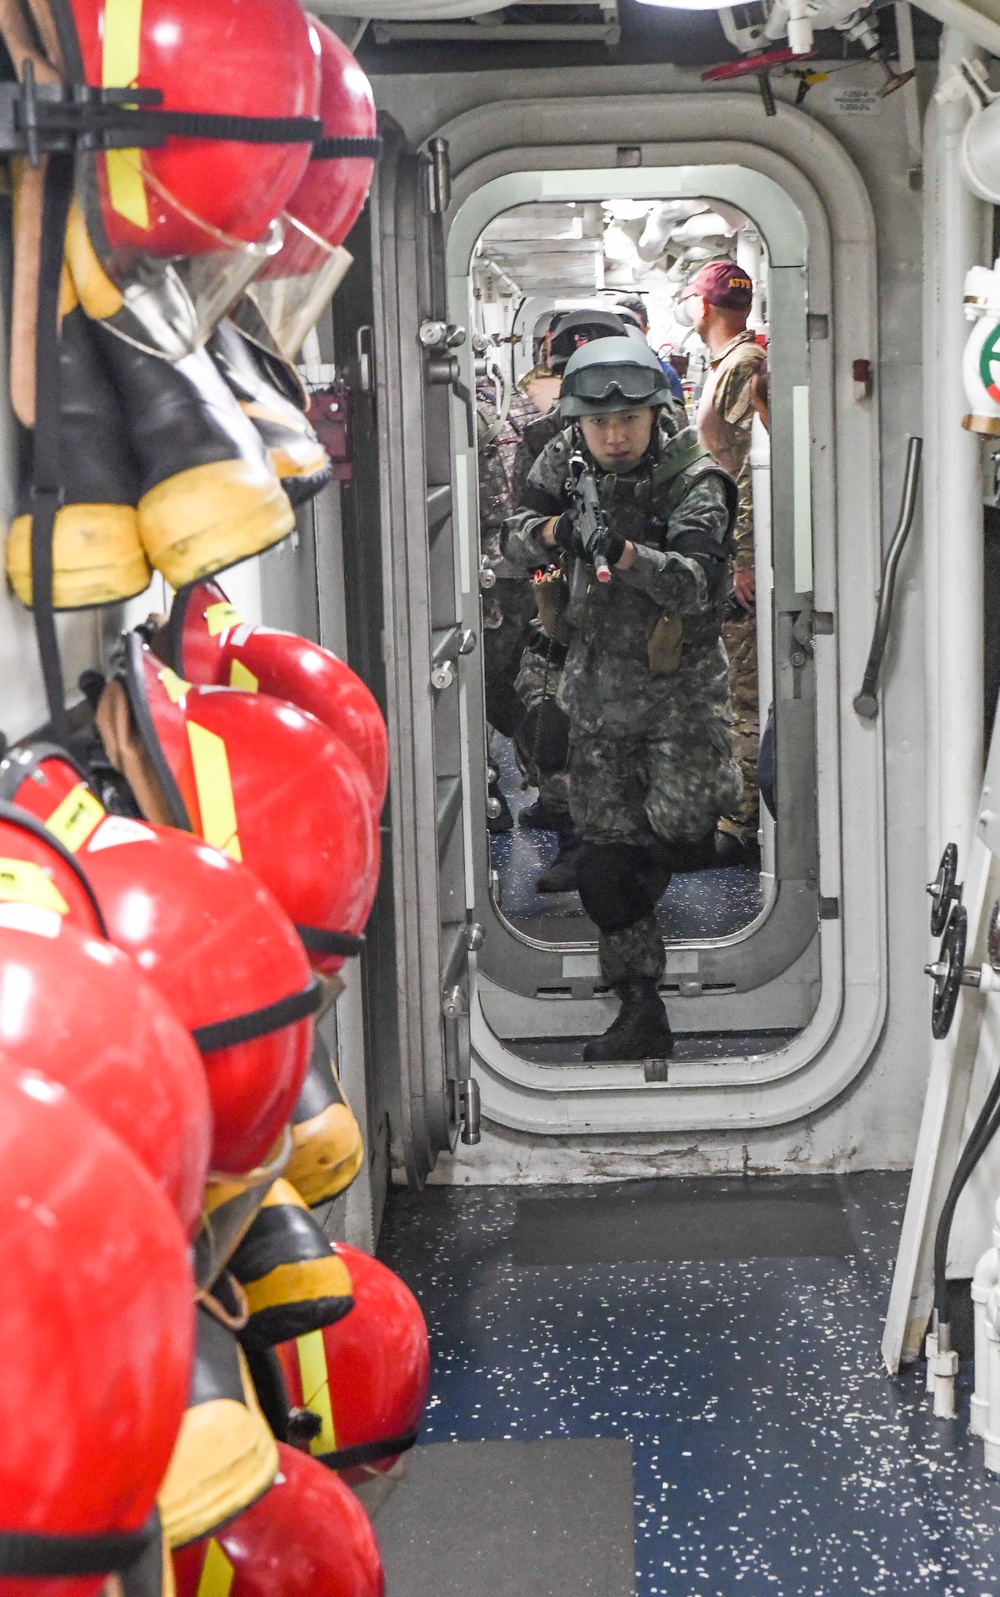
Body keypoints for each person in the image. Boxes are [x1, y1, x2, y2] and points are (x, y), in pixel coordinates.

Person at [503, 338, 740, 1070]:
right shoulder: (564, 464)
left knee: (681, 834)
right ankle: (642, 1007)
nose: (612, 436)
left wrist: (628, 553)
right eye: (597, 423)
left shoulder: (693, 480)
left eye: (629, 420)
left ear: (655, 415)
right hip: (597, 691)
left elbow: (700, 583)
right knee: (605, 869)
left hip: (680, 699)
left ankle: (664, 860)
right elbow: (513, 539)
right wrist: (555, 535)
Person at [678, 260, 767, 863]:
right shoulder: (729, 365)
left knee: (743, 690)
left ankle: (740, 826)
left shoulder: (742, 368)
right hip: (720, 543)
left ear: (703, 307)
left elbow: (747, 475)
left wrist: (741, 557)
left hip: (736, 550)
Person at [476, 359, 541, 832]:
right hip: (531, 561)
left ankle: (533, 751)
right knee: (516, 672)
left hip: (494, 569)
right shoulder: (519, 402)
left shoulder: (473, 409)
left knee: (487, 680)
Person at [616, 293, 687, 411]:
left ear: (645, 330)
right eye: (622, 327)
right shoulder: (598, 373)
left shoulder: (666, 374)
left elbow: (677, 422)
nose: (628, 333)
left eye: (634, 327)